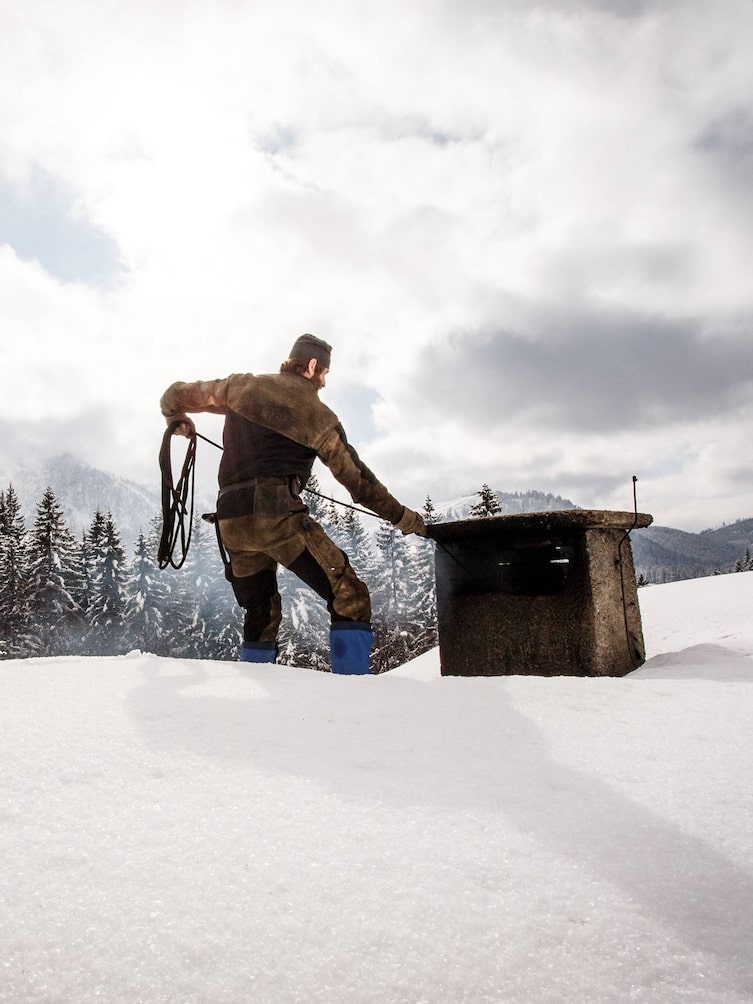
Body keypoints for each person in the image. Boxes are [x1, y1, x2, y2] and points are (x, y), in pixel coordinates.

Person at [160, 334, 426, 674]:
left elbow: (174, 395)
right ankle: (354, 696)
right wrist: (403, 518)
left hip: (232, 523)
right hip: (277, 519)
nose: (325, 382)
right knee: (350, 597)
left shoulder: (240, 387)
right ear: (312, 366)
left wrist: (176, 420)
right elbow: (360, 484)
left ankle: (258, 693)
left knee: (262, 612)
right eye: (325, 373)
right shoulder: (318, 416)